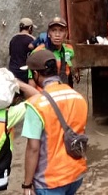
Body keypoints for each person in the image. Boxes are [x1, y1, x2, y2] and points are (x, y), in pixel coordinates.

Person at [20, 50, 88, 195]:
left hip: (50, 181)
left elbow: (33, 148)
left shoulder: (36, 105)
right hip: (76, 174)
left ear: (36, 74)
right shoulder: (78, 97)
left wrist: (27, 184)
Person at [31, 17, 80, 88]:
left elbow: (70, 63)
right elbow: (31, 79)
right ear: (48, 33)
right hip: (45, 92)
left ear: (66, 34)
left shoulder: (69, 49)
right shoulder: (38, 52)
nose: (57, 34)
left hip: (63, 89)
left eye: (61, 30)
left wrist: (75, 71)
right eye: (54, 30)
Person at [9, 18, 36, 83]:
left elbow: (10, 54)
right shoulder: (32, 40)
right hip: (25, 72)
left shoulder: (13, 39)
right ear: (30, 28)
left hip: (12, 70)